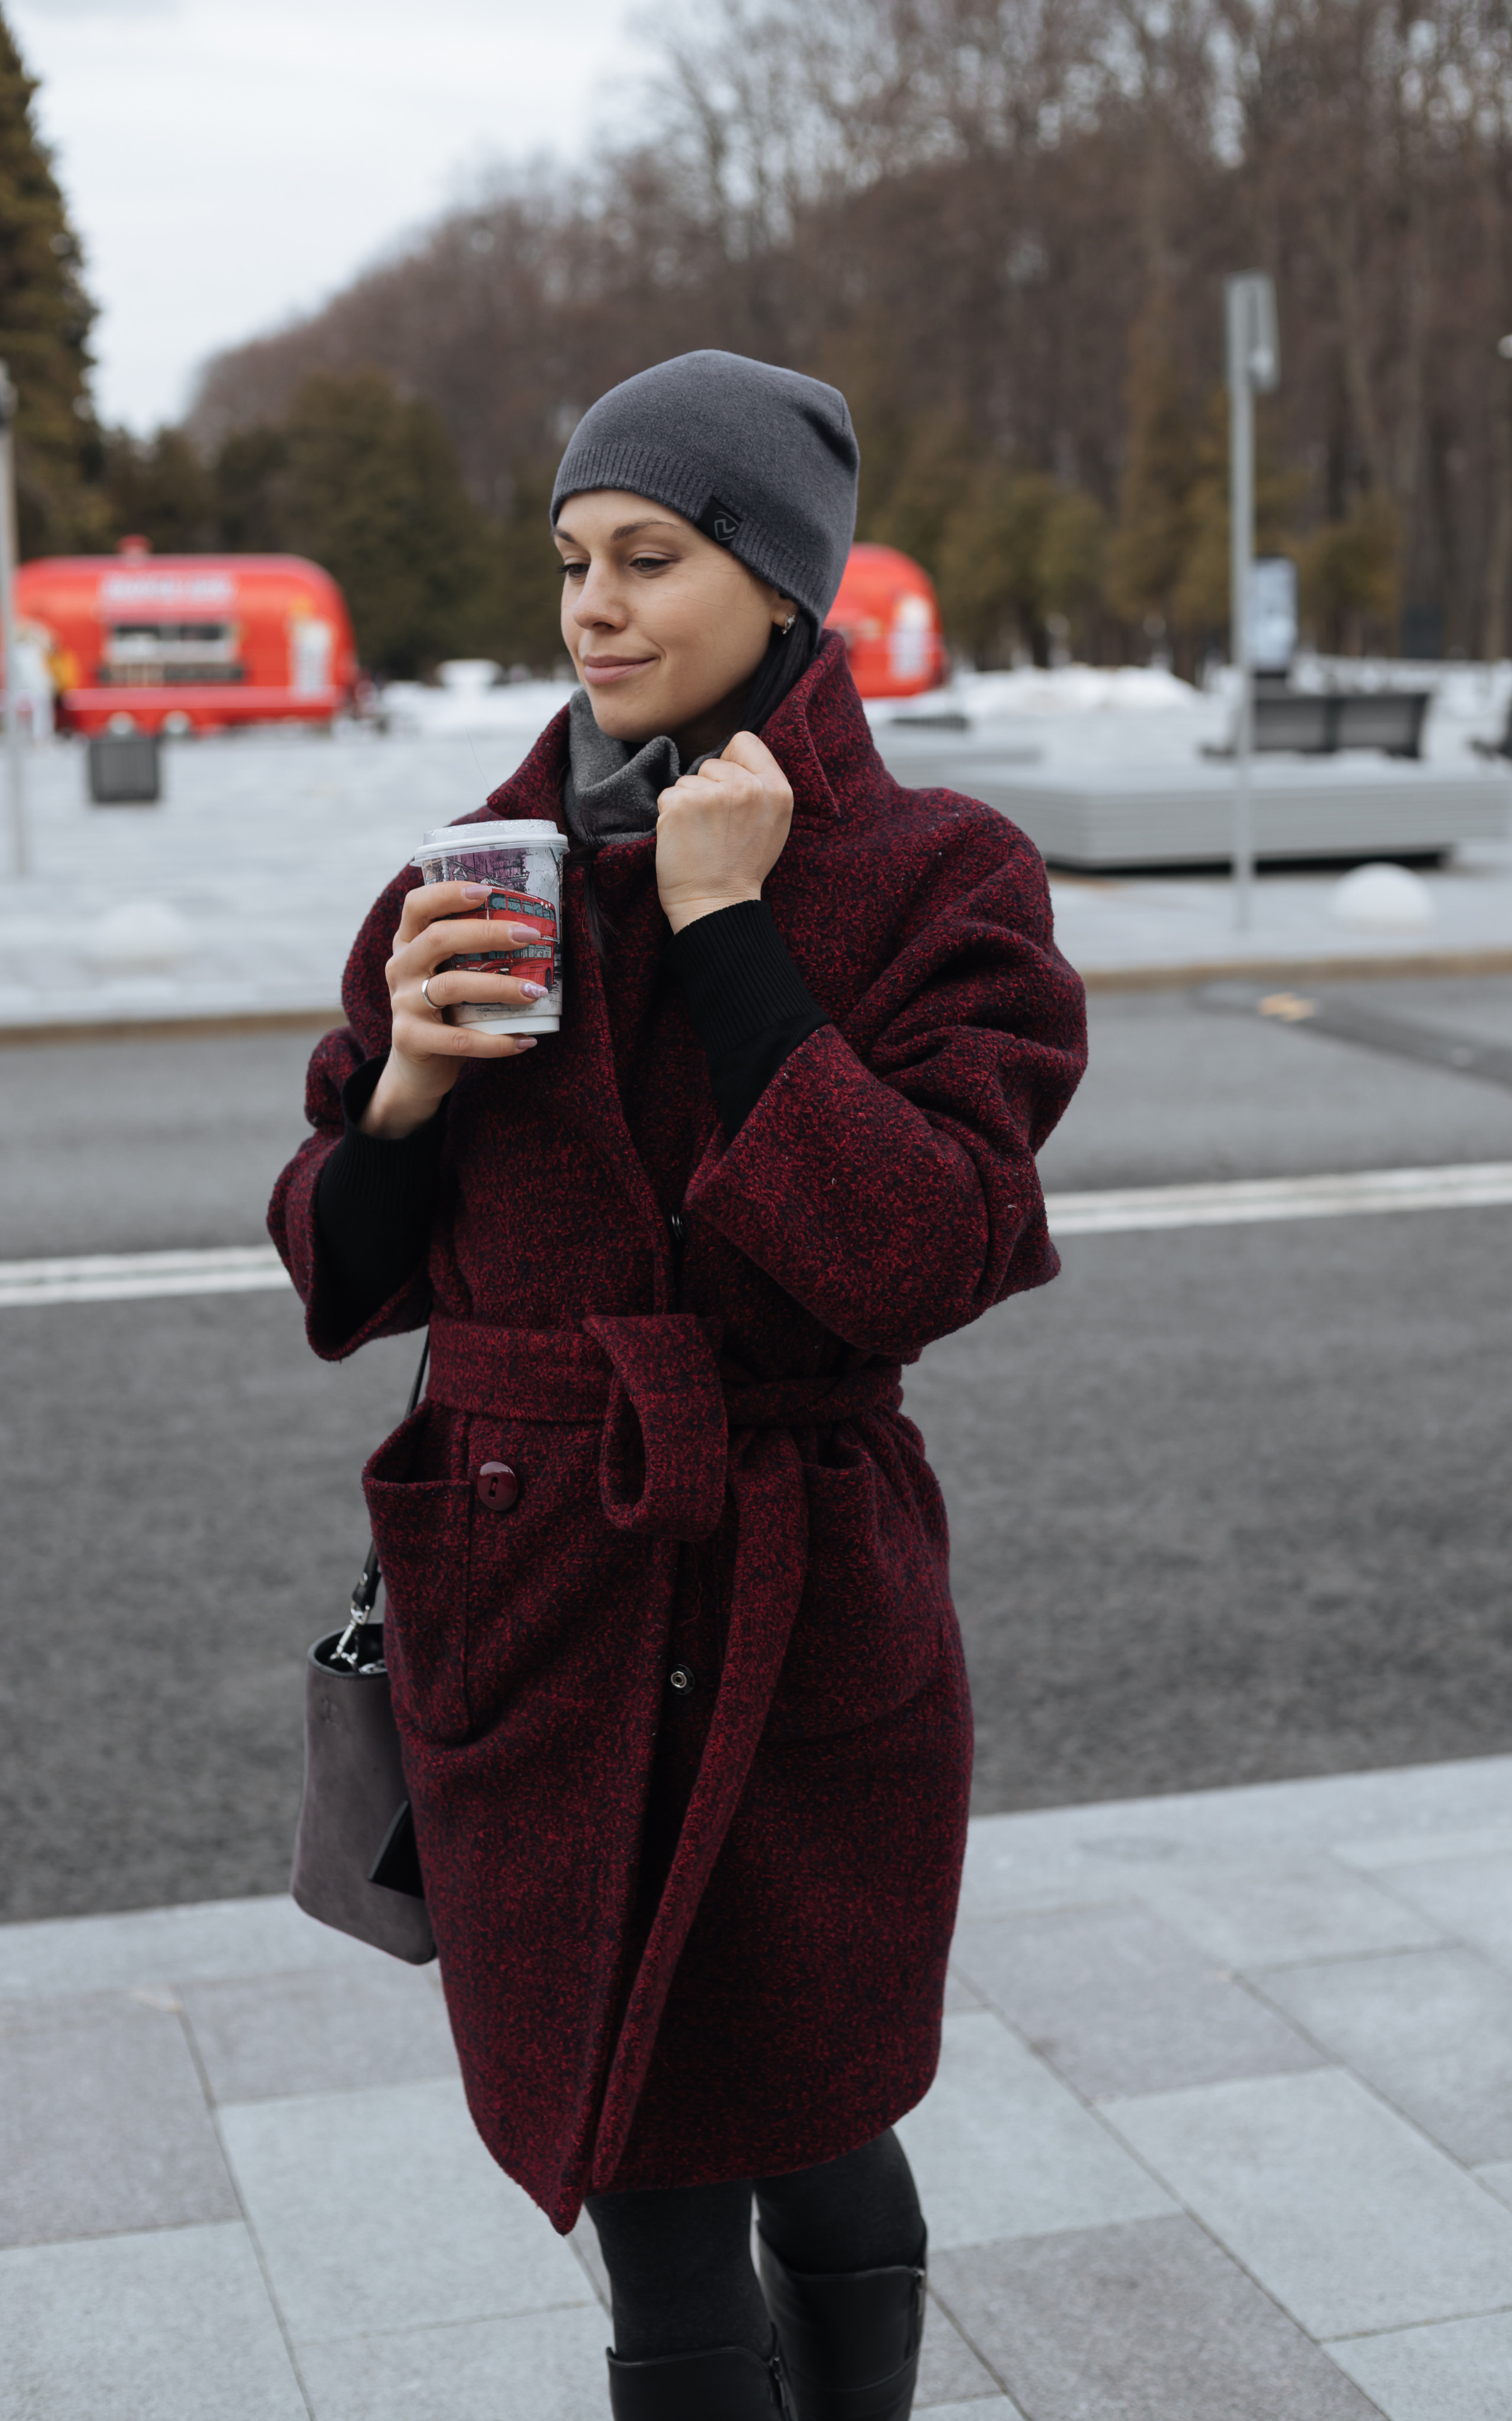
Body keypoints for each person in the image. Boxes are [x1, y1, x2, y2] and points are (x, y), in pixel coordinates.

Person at [270, 349, 1085, 2421]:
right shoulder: (476, 874)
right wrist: (406, 1098)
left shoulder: (938, 878)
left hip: (802, 1610)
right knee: (643, 2169)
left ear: (782, 587)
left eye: (652, 556)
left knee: (811, 2121)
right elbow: (337, 1273)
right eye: (572, 561)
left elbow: (926, 1253)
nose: (595, 608)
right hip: (543, 1607)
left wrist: (731, 933)